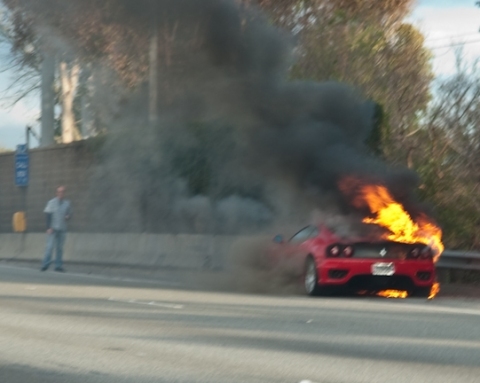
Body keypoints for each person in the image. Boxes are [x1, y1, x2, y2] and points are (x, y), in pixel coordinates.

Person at [41, 186, 72, 272]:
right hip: (52, 228)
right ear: (56, 193)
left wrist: (68, 216)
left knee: (60, 248)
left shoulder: (67, 203)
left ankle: (58, 266)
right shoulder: (51, 203)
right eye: (59, 192)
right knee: (49, 247)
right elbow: (47, 215)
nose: (61, 194)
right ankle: (45, 265)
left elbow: (69, 214)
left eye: (63, 192)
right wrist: (48, 227)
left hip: (62, 229)